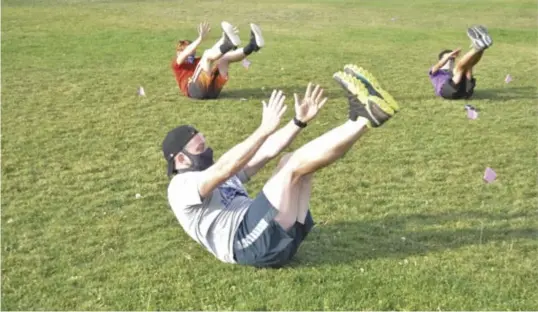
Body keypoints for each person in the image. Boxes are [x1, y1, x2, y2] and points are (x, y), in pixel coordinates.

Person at [162, 65, 400, 268]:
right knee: (293, 167)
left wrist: (298, 122)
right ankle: (362, 118)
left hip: (276, 236)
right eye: (200, 148)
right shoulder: (180, 187)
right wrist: (263, 129)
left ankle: (362, 119)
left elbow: (266, 151)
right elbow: (226, 167)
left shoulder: (212, 173)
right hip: (247, 243)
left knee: (291, 162)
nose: (207, 149)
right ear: (180, 160)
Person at [171, 21, 264, 100]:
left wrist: (224, 38)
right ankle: (230, 43)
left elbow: (214, 50)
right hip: (194, 91)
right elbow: (187, 52)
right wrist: (200, 39)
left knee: (224, 58)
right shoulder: (177, 65)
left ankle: (253, 46)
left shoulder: (198, 61)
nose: (190, 53)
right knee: (207, 54)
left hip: (213, 92)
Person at [428, 25, 493, 100]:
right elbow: (439, 65)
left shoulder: (454, 71)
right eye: (448, 58)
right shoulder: (436, 73)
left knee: (469, 66)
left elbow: (468, 66)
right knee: (460, 67)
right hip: (447, 92)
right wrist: (448, 56)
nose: (451, 60)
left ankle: (482, 48)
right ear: (441, 59)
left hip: (465, 92)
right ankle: (477, 47)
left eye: (452, 59)